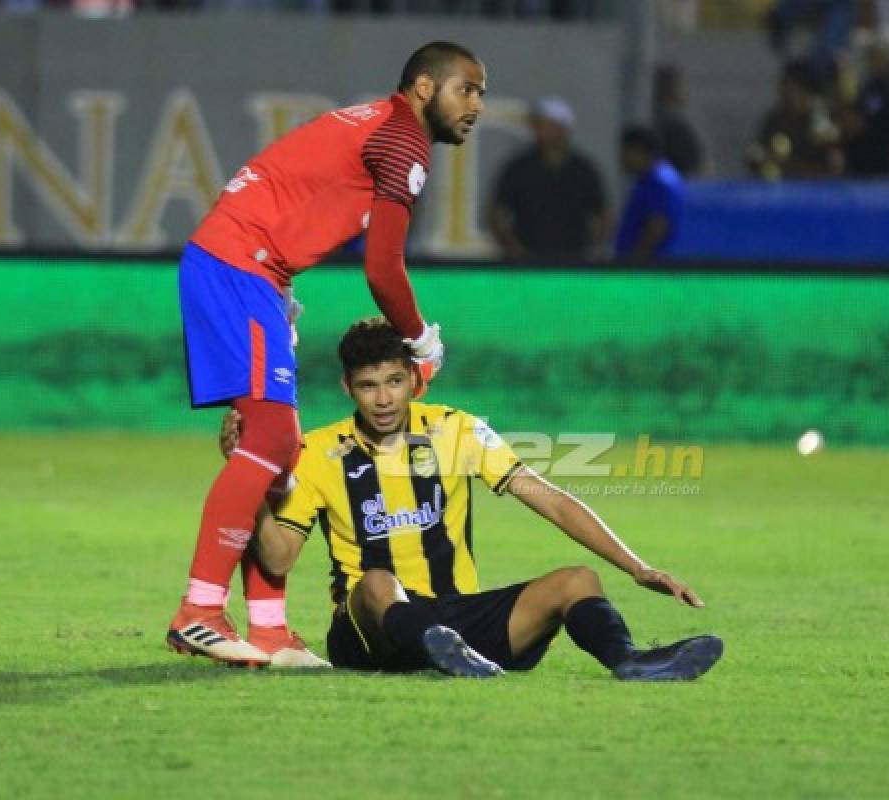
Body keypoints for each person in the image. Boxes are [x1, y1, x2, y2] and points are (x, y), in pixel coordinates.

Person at [165, 42, 486, 667]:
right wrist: (421, 339)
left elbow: (291, 194)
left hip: (255, 272)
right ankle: (198, 610)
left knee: (281, 448)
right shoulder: (403, 141)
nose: (476, 104)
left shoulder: (375, 124)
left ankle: (268, 627)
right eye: (465, 88)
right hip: (239, 265)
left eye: (480, 92)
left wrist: (281, 289)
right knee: (272, 437)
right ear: (424, 87)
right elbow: (384, 268)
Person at [231, 317, 725, 680]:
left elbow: (549, 499)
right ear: (348, 388)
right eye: (368, 386)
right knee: (377, 581)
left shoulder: (455, 429)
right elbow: (277, 557)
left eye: (394, 382)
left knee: (577, 580)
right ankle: (438, 651)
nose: (383, 399)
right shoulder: (318, 451)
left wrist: (637, 567)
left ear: (413, 379)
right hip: (370, 631)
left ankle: (630, 660)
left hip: (457, 622)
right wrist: (248, 472)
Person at [488, 96, 609, 261]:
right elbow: (496, 212)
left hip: (572, 262)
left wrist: (592, 249)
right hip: (528, 262)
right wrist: (512, 248)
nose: (538, 131)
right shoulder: (519, 168)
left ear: (562, 129)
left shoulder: (583, 170)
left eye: (544, 125)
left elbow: (603, 213)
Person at [749, 59, 844, 180]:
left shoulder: (821, 121)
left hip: (816, 194)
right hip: (778, 192)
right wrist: (760, 158)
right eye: (782, 86)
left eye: (790, 88)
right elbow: (756, 156)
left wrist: (786, 164)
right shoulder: (776, 118)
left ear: (806, 92)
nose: (784, 93)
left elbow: (833, 172)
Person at [841, 25, 889, 178]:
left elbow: (854, 125)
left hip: (876, 175)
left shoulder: (883, 88)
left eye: (875, 53)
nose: (869, 59)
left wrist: (845, 91)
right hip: (883, 172)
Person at [613, 125, 685, 261]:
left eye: (626, 153)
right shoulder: (653, 179)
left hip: (649, 271)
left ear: (640, 151)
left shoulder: (658, 181)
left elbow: (658, 226)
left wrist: (635, 260)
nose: (622, 159)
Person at [652, 64, 705, 178]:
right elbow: (695, 167)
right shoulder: (674, 125)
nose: (687, 91)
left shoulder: (654, 118)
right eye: (683, 85)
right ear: (671, 89)